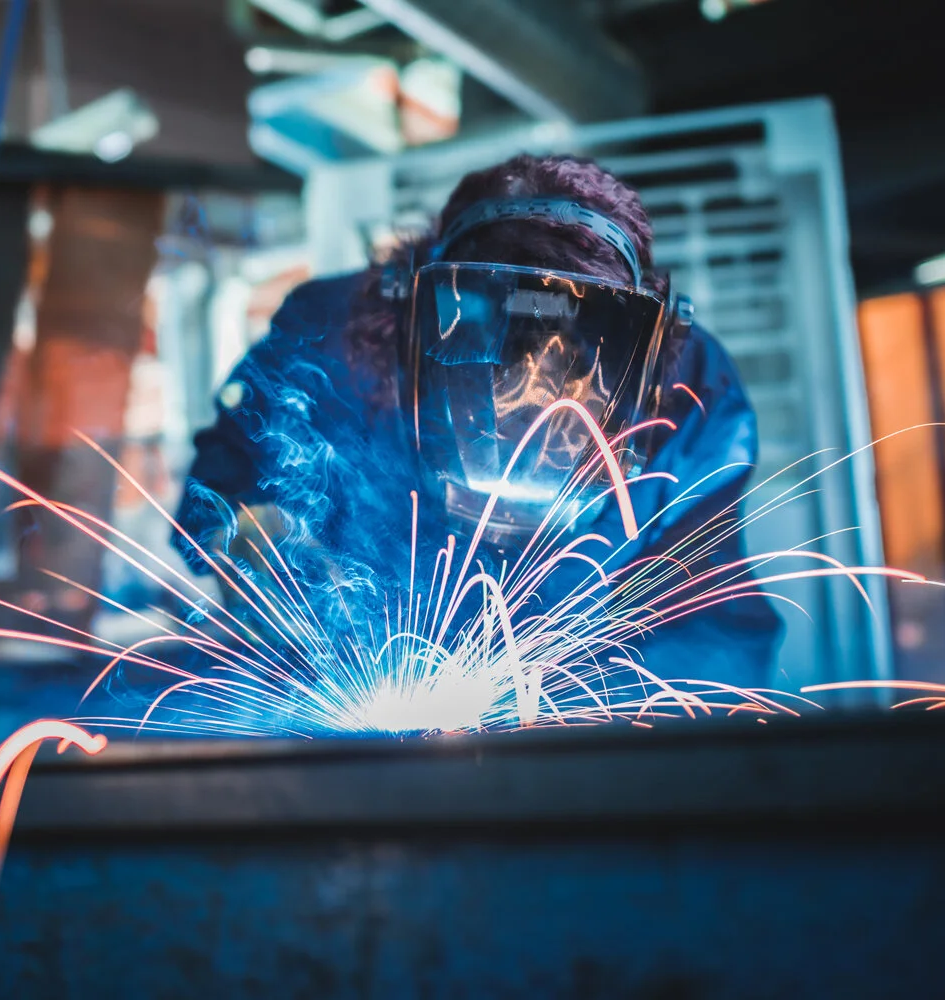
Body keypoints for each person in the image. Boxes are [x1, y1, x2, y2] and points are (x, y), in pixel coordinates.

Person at [174, 154, 782, 691]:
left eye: (566, 376)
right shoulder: (325, 342)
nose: (529, 411)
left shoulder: (690, 391)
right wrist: (255, 545)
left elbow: (712, 630)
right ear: (410, 329)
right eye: (496, 375)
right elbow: (220, 495)